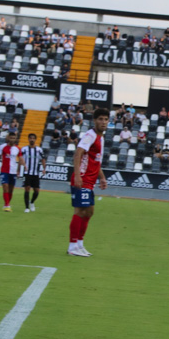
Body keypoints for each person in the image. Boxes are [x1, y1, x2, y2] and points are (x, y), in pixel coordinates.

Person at [68, 108, 109, 257]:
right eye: (100, 119)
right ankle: (72, 246)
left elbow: (96, 160)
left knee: (89, 212)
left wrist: (102, 177)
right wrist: (77, 175)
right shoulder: (90, 135)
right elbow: (78, 153)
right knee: (80, 211)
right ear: (95, 121)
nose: (103, 122)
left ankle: (79, 244)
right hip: (82, 179)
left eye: (105, 119)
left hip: (90, 181)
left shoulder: (100, 138)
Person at [0, 132, 22, 212]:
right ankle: (7, 205)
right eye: (11, 137)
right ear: (8, 138)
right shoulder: (2, 147)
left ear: (15, 139)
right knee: (5, 187)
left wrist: (18, 171)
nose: (12, 139)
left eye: (13, 137)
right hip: (4, 171)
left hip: (13, 171)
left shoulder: (18, 149)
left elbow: (20, 160)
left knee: (11, 190)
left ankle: (6, 204)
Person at [20, 133, 46, 213]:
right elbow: (21, 158)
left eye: (33, 138)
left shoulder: (39, 150)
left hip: (35, 173)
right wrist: (24, 165)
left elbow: (43, 159)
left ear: (35, 140)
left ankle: (32, 202)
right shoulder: (24, 149)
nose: (32, 139)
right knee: (27, 189)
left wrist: (44, 168)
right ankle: (27, 207)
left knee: (36, 190)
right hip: (27, 173)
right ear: (28, 139)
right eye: (30, 138)